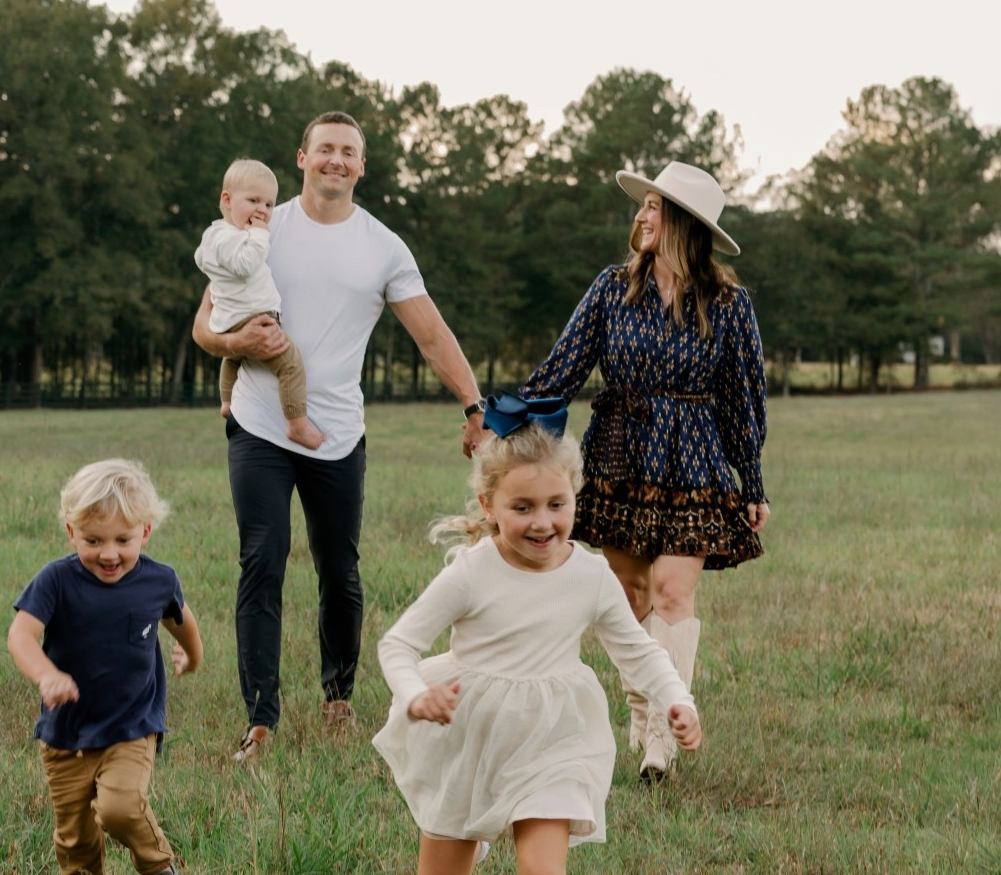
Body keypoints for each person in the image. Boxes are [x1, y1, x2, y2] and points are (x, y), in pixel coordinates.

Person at [372, 405, 701, 875]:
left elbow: (636, 651)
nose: (543, 522)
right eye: (522, 507)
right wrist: (412, 695)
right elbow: (397, 645)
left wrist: (677, 700)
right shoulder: (468, 574)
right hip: (470, 731)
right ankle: (479, 832)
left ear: (575, 497)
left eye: (557, 503)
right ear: (489, 507)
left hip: (555, 736)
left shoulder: (586, 575)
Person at [192, 110, 485, 763]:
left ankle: (336, 699)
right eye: (324, 149)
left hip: (337, 434)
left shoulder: (382, 247)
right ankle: (260, 720)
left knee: (339, 572)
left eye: (347, 152)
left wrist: (472, 404)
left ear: (361, 166)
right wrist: (236, 342)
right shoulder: (263, 225)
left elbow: (430, 333)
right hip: (260, 424)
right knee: (260, 563)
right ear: (302, 158)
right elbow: (204, 328)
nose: (335, 160)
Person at [522, 160, 769, 781]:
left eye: (655, 208)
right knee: (629, 599)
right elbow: (561, 370)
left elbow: (744, 398)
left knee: (672, 594)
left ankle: (662, 735)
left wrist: (751, 482)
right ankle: (640, 707)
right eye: (644, 206)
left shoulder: (729, 304)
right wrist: (502, 424)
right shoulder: (612, 288)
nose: (641, 216)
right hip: (621, 454)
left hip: (694, 460)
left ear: (684, 223)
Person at [7, 458, 203, 875]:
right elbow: (20, 636)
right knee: (74, 837)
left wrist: (192, 657)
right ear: (72, 534)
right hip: (65, 736)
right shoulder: (56, 580)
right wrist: (46, 675)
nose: (109, 553)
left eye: (123, 540)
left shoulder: (158, 580)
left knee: (118, 807)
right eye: (94, 541)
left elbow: (183, 623)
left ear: (146, 533)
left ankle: (156, 864)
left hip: (130, 727)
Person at [194, 157, 324, 452]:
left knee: (235, 357)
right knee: (290, 364)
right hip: (253, 316)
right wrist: (259, 235)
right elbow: (246, 265)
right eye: (253, 200)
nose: (262, 211)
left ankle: (227, 402)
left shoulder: (214, 236)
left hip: (230, 317)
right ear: (226, 200)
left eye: (268, 204)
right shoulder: (236, 238)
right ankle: (297, 423)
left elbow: (202, 259)